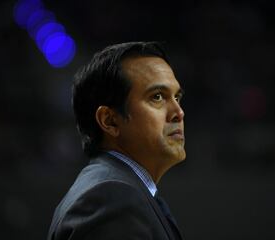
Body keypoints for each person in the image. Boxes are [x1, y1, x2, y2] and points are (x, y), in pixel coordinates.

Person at [47, 42, 186, 240]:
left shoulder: (119, 191)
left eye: (177, 98)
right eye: (157, 97)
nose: (178, 112)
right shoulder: (112, 199)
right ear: (110, 121)